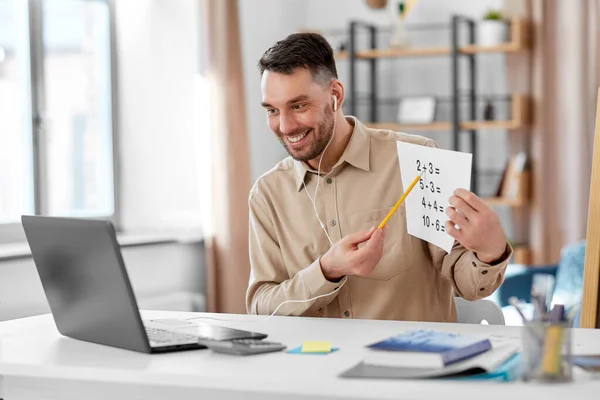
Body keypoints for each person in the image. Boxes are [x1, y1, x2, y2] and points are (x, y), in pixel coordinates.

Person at [245, 32, 512, 322]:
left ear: (335, 95)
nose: (284, 126)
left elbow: (468, 285)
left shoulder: (420, 158)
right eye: (272, 110)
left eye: (298, 106)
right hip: (315, 365)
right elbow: (262, 307)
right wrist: (326, 270)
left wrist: (490, 252)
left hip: (415, 362)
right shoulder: (267, 194)